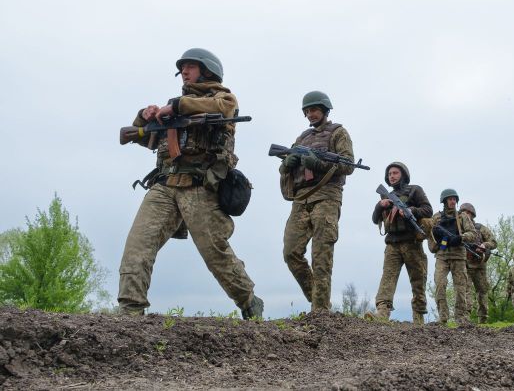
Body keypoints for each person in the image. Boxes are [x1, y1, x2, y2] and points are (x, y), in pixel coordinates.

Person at [118, 48, 263, 319]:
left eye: (191, 67)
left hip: (200, 187)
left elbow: (224, 107)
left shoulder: (221, 98)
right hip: (164, 185)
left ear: (207, 71)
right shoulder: (171, 110)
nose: (184, 72)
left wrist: (177, 107)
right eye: (182, 68)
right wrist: (146, 116)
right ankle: (130, 312)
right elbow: (148, 140)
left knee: (215, 254)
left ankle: (249, 301)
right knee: (137, 247)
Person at [279, 91, 355, 311]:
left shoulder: (338, 133)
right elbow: (284, 167)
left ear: (324, 109)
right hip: (301, 199)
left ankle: (320, 312)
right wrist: (288, 163)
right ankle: (319, 301)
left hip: (327, 196)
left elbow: (348, 165)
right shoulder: (302, 138)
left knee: (321, 256)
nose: (310, 114)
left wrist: (319, 164)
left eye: (314, 110)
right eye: (307, 111)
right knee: (290, 252)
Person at [369, 162, 432, 324]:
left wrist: (412, 211)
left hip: (412, 243)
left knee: (418, 280)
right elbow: (375, 219)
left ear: (403, 175)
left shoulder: (415, 190)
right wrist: (379, 206)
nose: (392, 176)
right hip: (392, 244)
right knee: (387, 279)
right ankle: (382, 314)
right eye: (390, 174)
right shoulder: (386, 196)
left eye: (395, 173)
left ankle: (418, 319)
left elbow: (428, 210)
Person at [430, 189, 477, 325]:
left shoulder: (462, 216)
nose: (452, 201)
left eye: (454, 199)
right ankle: (442, 318)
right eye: (450, 199)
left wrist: (461, 238)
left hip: (458, 256)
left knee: (461, 288)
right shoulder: (437, 217)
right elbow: (429, 234)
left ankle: (461, 318)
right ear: (444, 201)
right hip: (442, 256)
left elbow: (473, 233)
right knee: (440, 285)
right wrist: (436, 243)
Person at [459, 203, 497, 324]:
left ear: (472, 214)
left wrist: (484, 245)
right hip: (465, 265)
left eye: (468, 213)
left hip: (480, 265)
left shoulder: (480, 228)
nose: (466, 215)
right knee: (466, 291)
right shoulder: (458, 228)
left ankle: (483, 318)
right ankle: (466, 319)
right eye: (463, 213)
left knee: (482, 291)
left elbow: (494, 242)